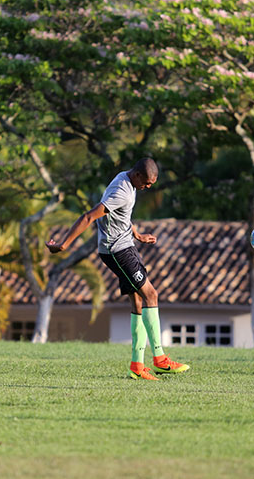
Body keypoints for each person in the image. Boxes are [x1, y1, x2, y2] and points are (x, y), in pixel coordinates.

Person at [46, 158, 189, 381]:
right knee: (151, 294)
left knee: (138, 300)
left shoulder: (126, 180)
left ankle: (136, 365)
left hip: (122, 246)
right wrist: (64, 245)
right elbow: (88, 216)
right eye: (148, 183)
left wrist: (138, 234)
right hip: (118, 251)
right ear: (139, 175)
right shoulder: (122, 190)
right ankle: (160, 359)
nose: (149, 187)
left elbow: (121, 215)